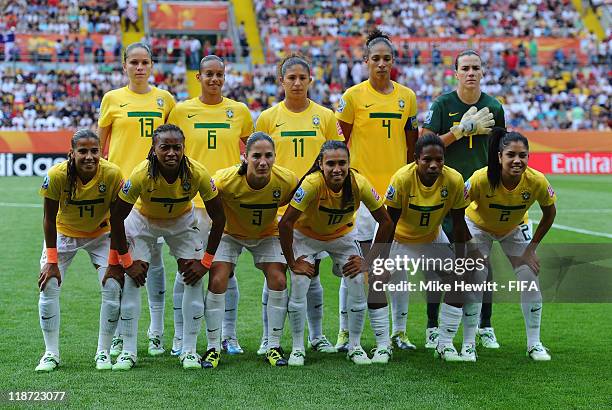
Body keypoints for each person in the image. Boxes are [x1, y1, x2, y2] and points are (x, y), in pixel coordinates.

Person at [108, 124, 225, 370]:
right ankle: (128, 352)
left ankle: (189, 351)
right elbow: (117, 217)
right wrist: (127, 262)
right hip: (143, 221)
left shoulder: (198, 173)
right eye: (165, 147)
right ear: (154, 149)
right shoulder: (141, 174)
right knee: (133, 277)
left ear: (184, 148)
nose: (171, 153)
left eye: (177, 147)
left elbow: (220, 217)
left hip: (182, 222)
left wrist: (206, 262)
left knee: (193, 276)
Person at [335, 29, 418, 353]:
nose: (381, 64)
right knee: (354, 264)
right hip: (360, 195)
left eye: (387, 59)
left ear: (393, 61)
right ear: (366, 61)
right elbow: (339, 146)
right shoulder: (353, 97)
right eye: (376, 59)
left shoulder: (407, 97)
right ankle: (345, 332)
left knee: (395, 267)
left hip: (396, 196)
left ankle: (399, 332)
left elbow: (412, 147)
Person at [255, 54, 343, 355]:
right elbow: (260, 159)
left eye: (301, 78)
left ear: (309, 81)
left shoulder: (326, 117)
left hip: (315, 207)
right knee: (276, 273)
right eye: (290, 78)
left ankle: (316, 336)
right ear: (281, 82)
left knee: (311, 271)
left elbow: (338, 156)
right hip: (278, 207)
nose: (296, 83)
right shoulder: (268, 117)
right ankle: (269, 338)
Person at [279, 141, 393, 366]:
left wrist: (367, 261)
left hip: (341, 237)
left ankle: (355, 346)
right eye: (331, 163)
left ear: (349, 164)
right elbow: (286, 223)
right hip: (307, 236)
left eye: (342, 163)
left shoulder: (359, 183)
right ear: (321, 164)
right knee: (300, 281)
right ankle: (298, 348)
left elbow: (387, 222)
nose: (337, 168)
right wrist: (292, 262)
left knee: (358, 278)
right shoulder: (312, 183)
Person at [168, 54, 253, 356]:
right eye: (209, 74)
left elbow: (250, 151)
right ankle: (180, 337)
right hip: (191, 202)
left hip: (226, 202)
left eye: (220, 74)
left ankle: (228, 335)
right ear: (198, 77)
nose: (215, 79)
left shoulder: (240, 111)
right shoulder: (181, 111)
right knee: (186, 270)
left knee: (226, 271)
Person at [98, 42, 175, 358]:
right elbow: (102, 149)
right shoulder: (112, 99)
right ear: (124, 65)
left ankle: (155, 332)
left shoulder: (164, 99)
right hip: (121, 191)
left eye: (145, 62)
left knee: (154, 260)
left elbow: (173, 144)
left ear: (152, 65)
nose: (140, 67)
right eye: (134, 62)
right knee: (119, 259)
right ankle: (118, 334)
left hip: (154, 190)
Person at [421, 49, 502, 350]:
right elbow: (425, 144)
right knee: (438, 260)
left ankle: (485, 325)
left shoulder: (493, 106)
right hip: (444, 190)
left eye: (476, 68)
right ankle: (432, 325)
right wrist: (459, 130)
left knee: (482, 260)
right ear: (455, 73)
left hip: (481, 193)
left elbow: (501, 150)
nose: (471, 72)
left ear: (483, 72)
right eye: (465, 68)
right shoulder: (443, 104)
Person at [203, 132, 297, 368]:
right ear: (245, 157)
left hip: (267, 234)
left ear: (275, 157)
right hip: (230, 234)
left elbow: (297, 208)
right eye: (256, 156)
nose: (262, 162)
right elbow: (209, 203)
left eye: (268, 156)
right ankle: (213, 348)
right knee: (217, 280)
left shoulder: (286, 180)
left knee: (278, 279)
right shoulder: (225, 180)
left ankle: (273, 346)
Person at [464, 128, 556, 361]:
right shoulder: (480, 178)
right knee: (476, 275)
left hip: (514, 229)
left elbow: (550, 213)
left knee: (529, 278)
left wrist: (531, 248)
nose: (517, 160)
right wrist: (471, 247)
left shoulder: (536, 181)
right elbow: (456, 210)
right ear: (499, 157)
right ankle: (467, 343)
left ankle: (534, 344)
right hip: (478, 227)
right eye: (511, 155)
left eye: (522, 155)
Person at [35, 129, 123, 372]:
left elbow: (118, 219)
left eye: (94, 151)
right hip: (64, 233)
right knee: (49, 284)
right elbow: (48, 218)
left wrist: (115, 260)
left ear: (101, 153)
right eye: (82, 151)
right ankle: (50, 353)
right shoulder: (57, 175)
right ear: (71, 153)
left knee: (113, 285)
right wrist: (51, 260)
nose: (89, 156)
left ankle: (103, 353)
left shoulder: (113, 174)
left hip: (101, 234)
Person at [384, 134, 476, 362]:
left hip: (432, 238)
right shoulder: (402, 179)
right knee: (380, 282)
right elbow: (388, 222)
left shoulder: (453, 180)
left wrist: (462, 261)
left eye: (439, 159)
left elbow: (458, 223)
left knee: (458, 281)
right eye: (427, 159)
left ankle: (444, 343)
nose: (434, 164)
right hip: (400, 239)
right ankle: (387, 340)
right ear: (416, 159)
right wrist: (381, 260)